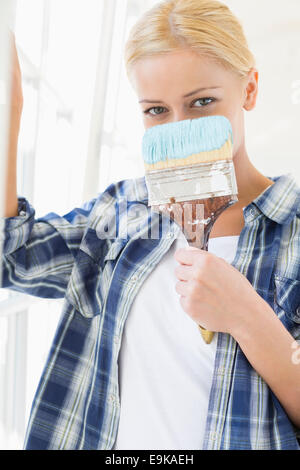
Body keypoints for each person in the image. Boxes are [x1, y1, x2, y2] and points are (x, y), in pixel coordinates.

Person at [2, 0, 300, 450]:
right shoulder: (122, 213)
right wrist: (12, 111)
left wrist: (247, 316)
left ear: (250, 89)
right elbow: (13, 256)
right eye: (156, 111)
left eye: (203, 102)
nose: (178, 126)